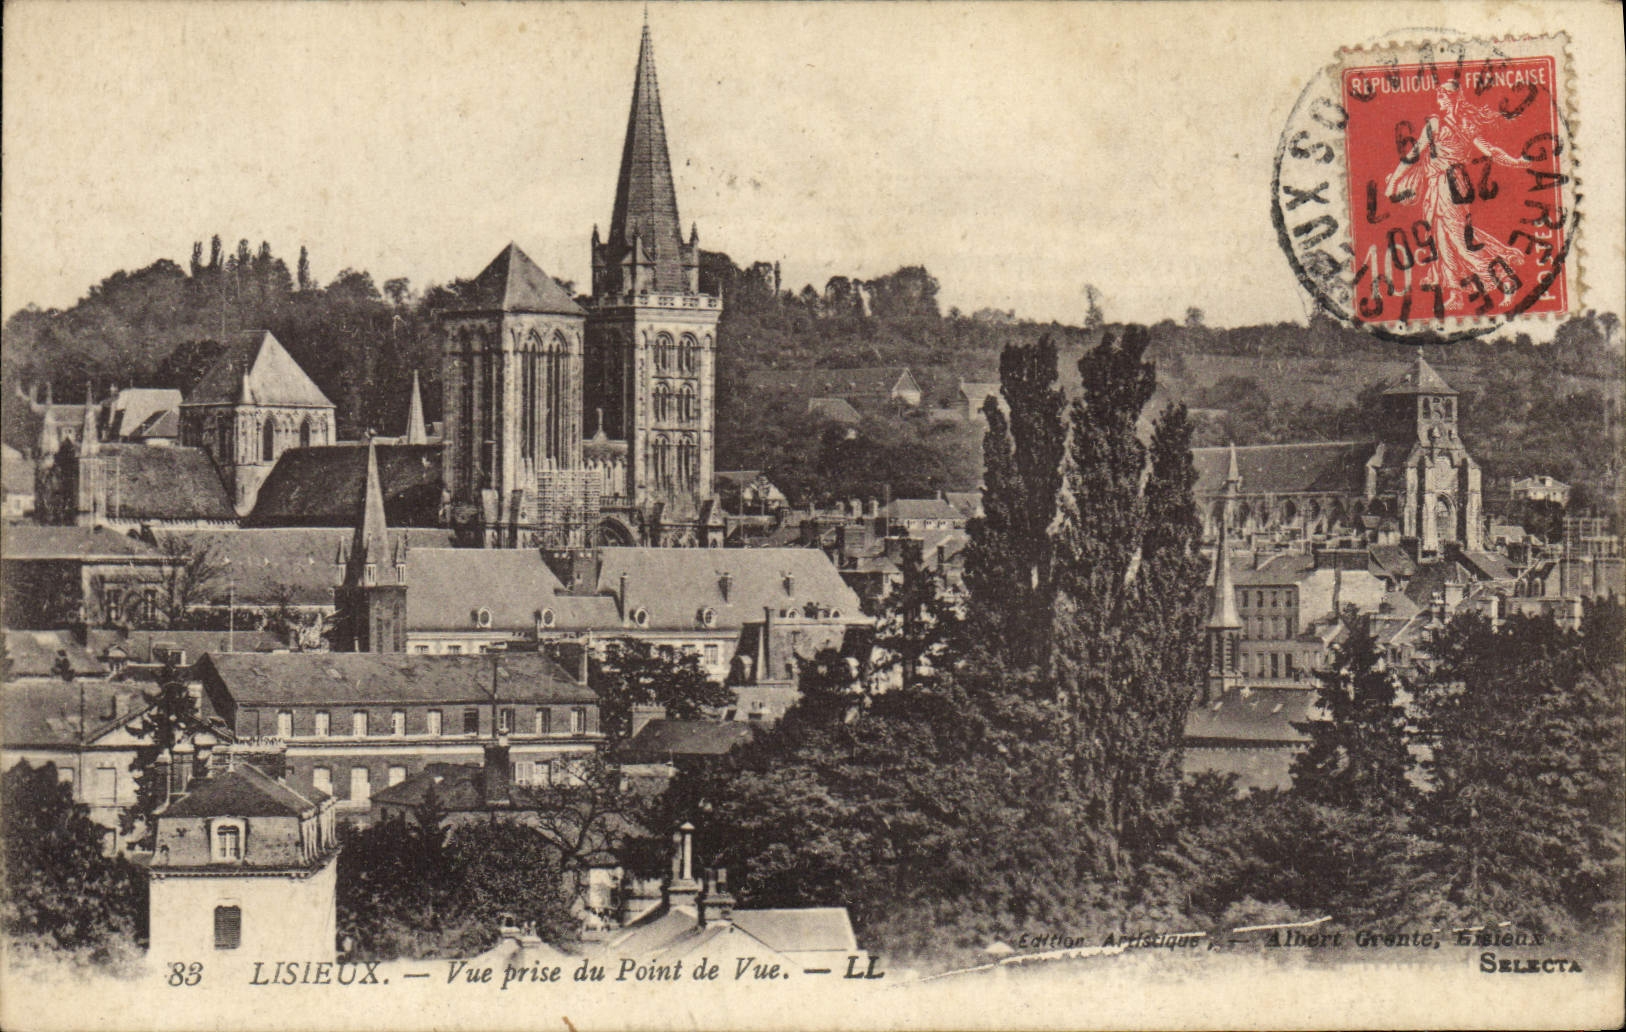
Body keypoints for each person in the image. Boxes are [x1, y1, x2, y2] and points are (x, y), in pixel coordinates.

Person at [1383, 79, 1527, 310]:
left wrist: (1394, 183)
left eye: (1441, 97)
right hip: (1441, 185)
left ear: (1449, 100)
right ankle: (1455, 294)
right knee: (1441, 239)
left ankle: (1506, 280)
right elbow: (1416, 153)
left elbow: (1415, 154)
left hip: (1450, 186)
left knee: (1461, 240)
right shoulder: (1453, 124)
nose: (1438, 101)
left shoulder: (1449, 124)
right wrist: (1516, 162)